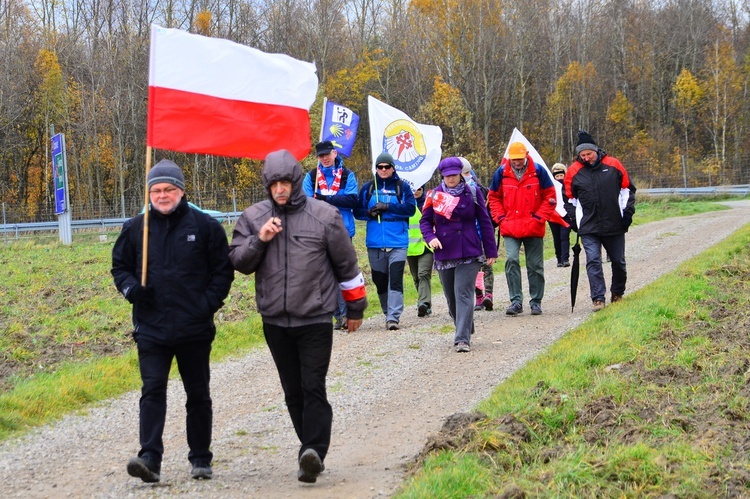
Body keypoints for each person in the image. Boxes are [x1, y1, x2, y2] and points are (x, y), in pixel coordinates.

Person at [228, 149, 367, 484]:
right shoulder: (252, 218)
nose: (280, 189)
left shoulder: (325, 216)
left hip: (316, 317)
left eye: (285, 182)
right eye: (274, 183)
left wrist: (355, 307)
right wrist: (260, 240)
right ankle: (309, 448)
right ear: (266, 185)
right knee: (292, 391)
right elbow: (239, 262)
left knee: (312, 385)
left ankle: (313, 451)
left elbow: (346, 265)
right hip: (274, 320)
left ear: (295, 182)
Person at [111, 159, 234, 483]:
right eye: (156, 190)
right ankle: (149, 458)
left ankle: (201, 458)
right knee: (152, 390)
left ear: (180, 191)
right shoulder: (136, 228)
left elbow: (222, 272)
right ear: (149, 193)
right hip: (151, 328)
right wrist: (131, 290)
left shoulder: (205, 227)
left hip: (194, 328)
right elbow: (119, 267)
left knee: (198, 393)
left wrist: (206, 305)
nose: (162, 195)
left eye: (168, 189)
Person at [420, 157, 497, 353]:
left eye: (454, 175)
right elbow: (425, 222)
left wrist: (491, 250)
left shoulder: (472, 192)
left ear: (460, 174)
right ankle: (465, 324)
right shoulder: (434, 195)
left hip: (469, 250)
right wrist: (430, 237)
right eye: (447, 176)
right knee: (450, 298)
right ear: (442, 176)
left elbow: (485, 221)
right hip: (444, 251)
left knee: (463, 293)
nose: (451, 179)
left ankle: (462, 339)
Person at [564, 130, 636, 312]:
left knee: (618, 261)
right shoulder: (573, 171)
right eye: (583, 155)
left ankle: (617, 292)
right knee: (593, 261)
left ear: (596, 151)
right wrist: (574, 220)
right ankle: (598, 298)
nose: (586, 158)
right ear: (578, 155)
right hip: (589, 226)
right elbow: (568, 199)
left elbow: (627, 190)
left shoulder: (613, 165)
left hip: (614, 223)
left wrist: (627, 214)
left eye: (589, 154)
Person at [488, 141, 557, 316]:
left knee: (535, 265)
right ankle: (516, 301)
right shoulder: (501, 173)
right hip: (510, 226)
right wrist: (500, 218)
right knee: (511, 260)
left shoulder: (539, 171)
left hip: (533, 226)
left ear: (526, 155)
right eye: (514, 159)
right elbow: (493, 197)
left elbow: (550, 196)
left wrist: (539, 218)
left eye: (519, 158)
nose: (517, 162)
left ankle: (536, 301)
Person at [355, 152, 416, 330]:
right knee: (379, 280)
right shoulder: (368, 188)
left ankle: (393, 316)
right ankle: (386, 311)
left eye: (386, 167)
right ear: (376, 169)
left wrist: (388, 206)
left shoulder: (402, 187)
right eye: (380, 167)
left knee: (395, 279)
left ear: (392, 168)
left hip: (398, 241)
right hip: (374, 241)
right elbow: (357, 211)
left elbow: (411, 209)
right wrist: (368, 213)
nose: (383, 170)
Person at [303, 140, 359, 330]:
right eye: (321, 156)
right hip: (318, 232)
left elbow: (352, 199)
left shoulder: (347, 175)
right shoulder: (311, 177)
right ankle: (338, 315)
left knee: (343, 273)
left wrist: (326, 199)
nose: (325, 158)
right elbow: (306, 203)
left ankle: (346, 313)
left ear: (335, 153)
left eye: (327, 154)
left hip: (342, 231)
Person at [459, 157, 495, 311]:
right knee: (472, 267)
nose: (467, 175)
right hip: (467, 235)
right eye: (464, 173)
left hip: (482, 231)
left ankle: (489, 294)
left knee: (487, 264)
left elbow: (487, 213)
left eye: (468, 172)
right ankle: (479, 295)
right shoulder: (452, 190)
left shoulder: (479, 189)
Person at [407, 185, 434, 317]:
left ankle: (423, 303)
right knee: (416, 277)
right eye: (414, 189)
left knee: (423, 274)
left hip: (426, 246)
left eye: (419, 188)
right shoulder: (405, 203)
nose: (416, 191)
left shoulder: (428, 203)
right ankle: (424, 302)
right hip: (410, 248)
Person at [548, 163, 572, 267]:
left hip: (566, 214)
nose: (559, 178)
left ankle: (565, 258)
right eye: (556, 176)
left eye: (561, 175)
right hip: (553, 215)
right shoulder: (550, 186)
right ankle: (559, 259)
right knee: (556, 237)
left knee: (564, 236)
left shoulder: (569, 185)